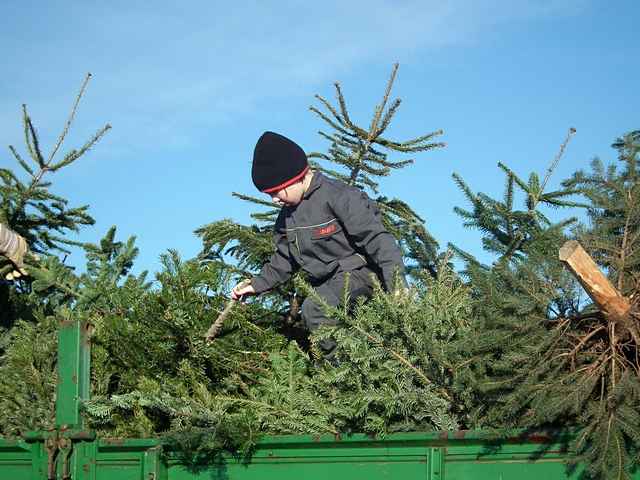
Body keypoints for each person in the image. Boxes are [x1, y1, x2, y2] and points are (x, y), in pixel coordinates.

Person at [231, 131, 406, 359]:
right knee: (317, 308)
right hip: (329, 285)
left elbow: (378, 240)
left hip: (361, 274)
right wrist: (256, 285)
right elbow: (284, 258)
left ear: (295, 177)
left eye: (276, 191)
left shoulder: (339, 196)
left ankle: (350, 371)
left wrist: (398, 286)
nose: (274, 199)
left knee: (315, 310)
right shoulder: (287, 217)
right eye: (268, 194)